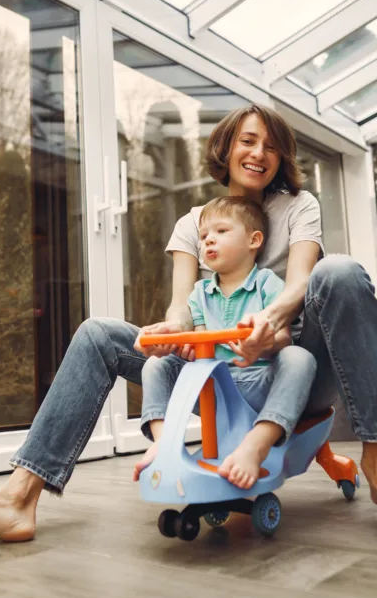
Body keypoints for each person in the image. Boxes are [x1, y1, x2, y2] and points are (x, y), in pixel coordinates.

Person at [0, 104, 377, 543]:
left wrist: (271, 321)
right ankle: (17, 498)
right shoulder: (193, 223)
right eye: (248, 141)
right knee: (99, 332)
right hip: (214, 364)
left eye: (271, 146)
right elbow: (180, 305)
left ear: (282, 158)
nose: (259, 154)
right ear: (226, 148)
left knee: (340, 271)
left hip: (291, 365)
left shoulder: (298, 207)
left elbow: (302, 281)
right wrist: (174, 334)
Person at [133, 195, 316, 490]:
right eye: (204, 236)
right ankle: (163, 442)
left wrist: (263, 344)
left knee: (299, 357)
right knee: (157, 364)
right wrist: (178, 347)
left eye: (221, 232)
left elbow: (282, 337)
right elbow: (200, 351)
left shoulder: (269, 283)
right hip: (215, 387)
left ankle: (257, 444)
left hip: (261, 381)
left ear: (254, 240)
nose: (208, 241)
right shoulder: (199, 294)